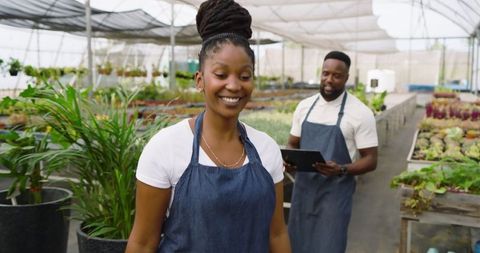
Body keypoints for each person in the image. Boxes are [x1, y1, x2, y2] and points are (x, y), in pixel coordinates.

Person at [125, 0, 291, 252]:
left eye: (244, 76)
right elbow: (143, 242)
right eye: (221, 75)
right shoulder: (166, 147)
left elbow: (277, 235)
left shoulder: (266, 149)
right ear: (200, 80)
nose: (234, 85)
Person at [286, 51, 378, 253]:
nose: (329, 80)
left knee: (329, 244)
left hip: (335, 195)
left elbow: (371, 159)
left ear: (346, 78)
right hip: (303, 191)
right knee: (297, 243)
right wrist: (290, 160)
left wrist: (342, 169)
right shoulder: (304, 107)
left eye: (336, 75)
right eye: (325, 73)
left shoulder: (360, 113)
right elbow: (293, 143)